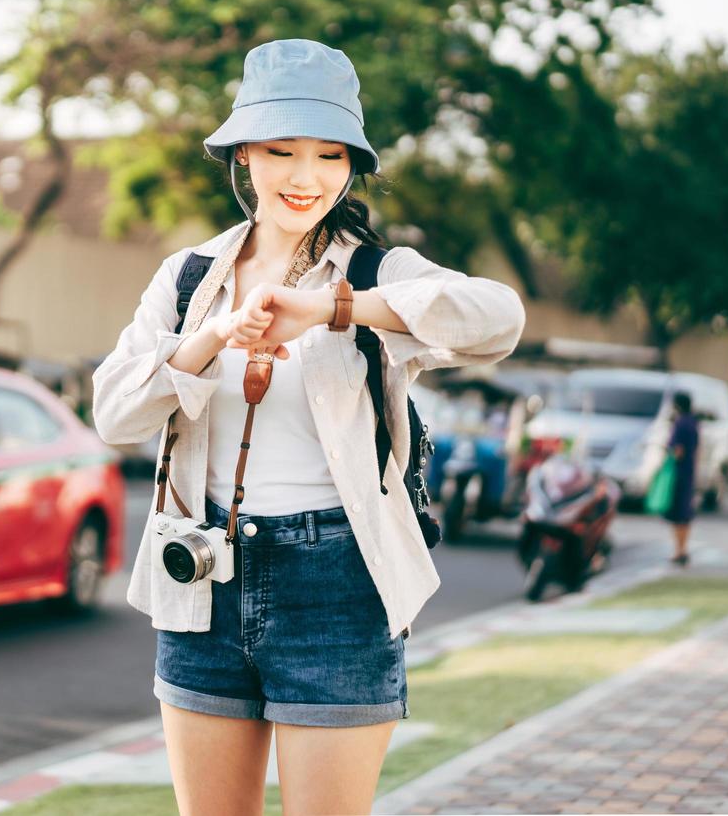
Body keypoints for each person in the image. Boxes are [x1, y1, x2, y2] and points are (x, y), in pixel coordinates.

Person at [91, 40, 526, 816]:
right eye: (282, 151)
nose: (304, 176)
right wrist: (214, 337)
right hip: (202, 576)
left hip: (337, 582)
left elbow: (498, 319)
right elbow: (115, 412)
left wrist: (331, 309)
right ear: (243, 156)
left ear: (351, 167)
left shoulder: (372, 272)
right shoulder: (190, 276)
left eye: (329, 156)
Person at [664, 391, 700, 566]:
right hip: (689, 471)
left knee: (678, 513)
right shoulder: (693, 422)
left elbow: (677, 451)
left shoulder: (679, 424)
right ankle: (683, 549)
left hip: (678, 473)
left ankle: (679, 550)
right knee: (685, 513)